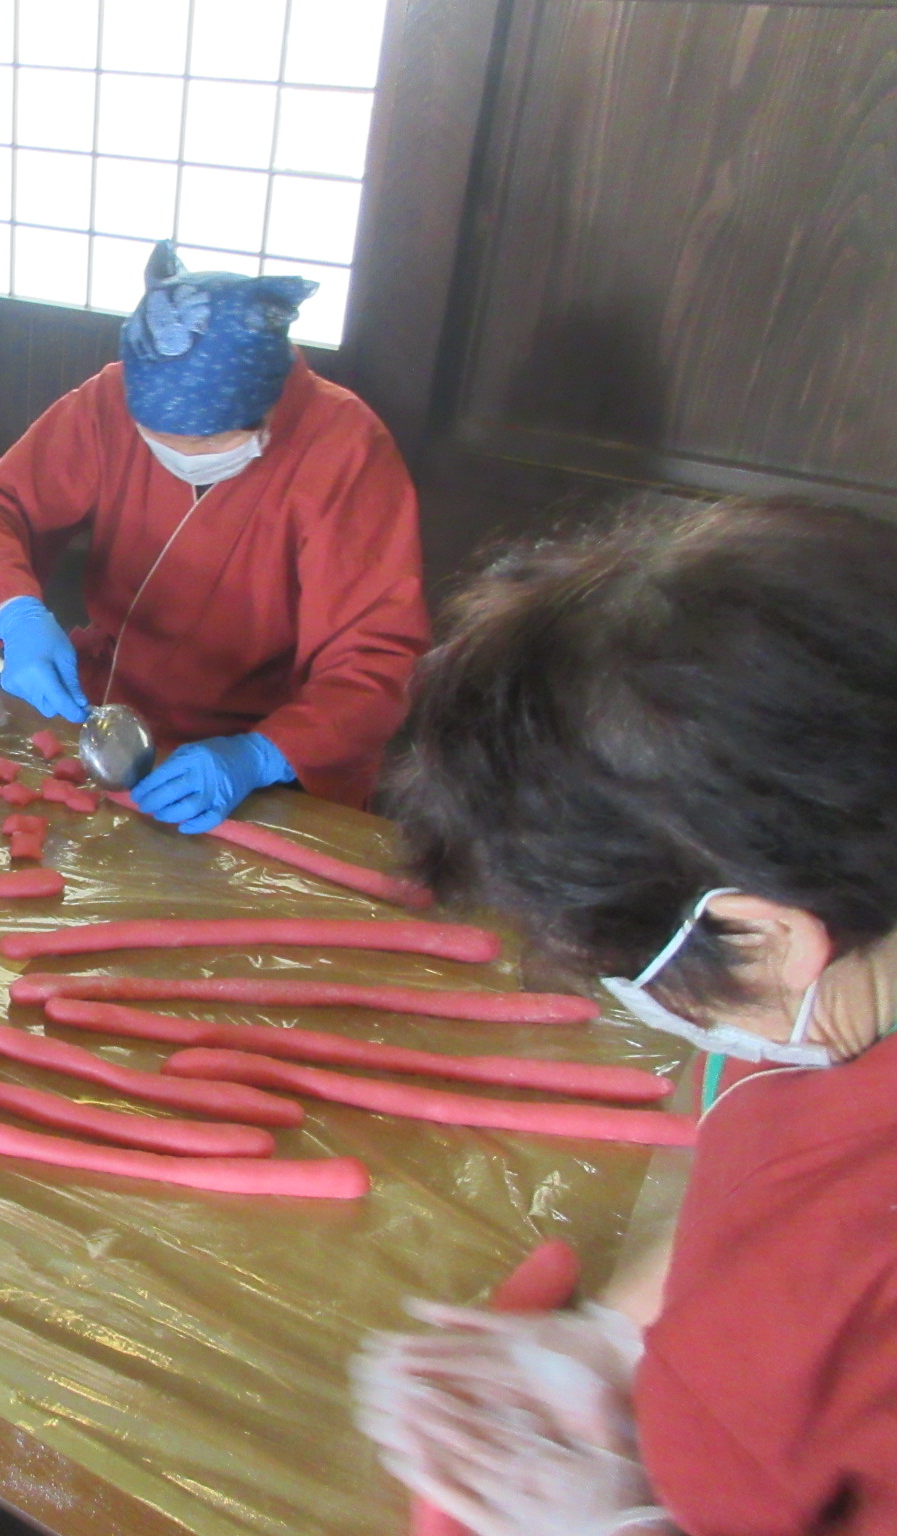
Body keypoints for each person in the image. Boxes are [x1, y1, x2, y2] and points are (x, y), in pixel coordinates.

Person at [350, 498, 897, 1536]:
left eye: (621, 968)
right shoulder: (838, 963)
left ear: (763, 934)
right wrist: (622, 1334)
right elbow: (761, 1167)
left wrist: (627, 1525)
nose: (621, 991)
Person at [0, 242, 427, 831]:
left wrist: (264, 755)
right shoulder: (110, 399)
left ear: (265, 413)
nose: (176, 460)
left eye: (205, 445)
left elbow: (378, 657)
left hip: (260, 741)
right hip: (107, 705)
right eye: (154, 439)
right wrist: (14, 609)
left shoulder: (346, 449)